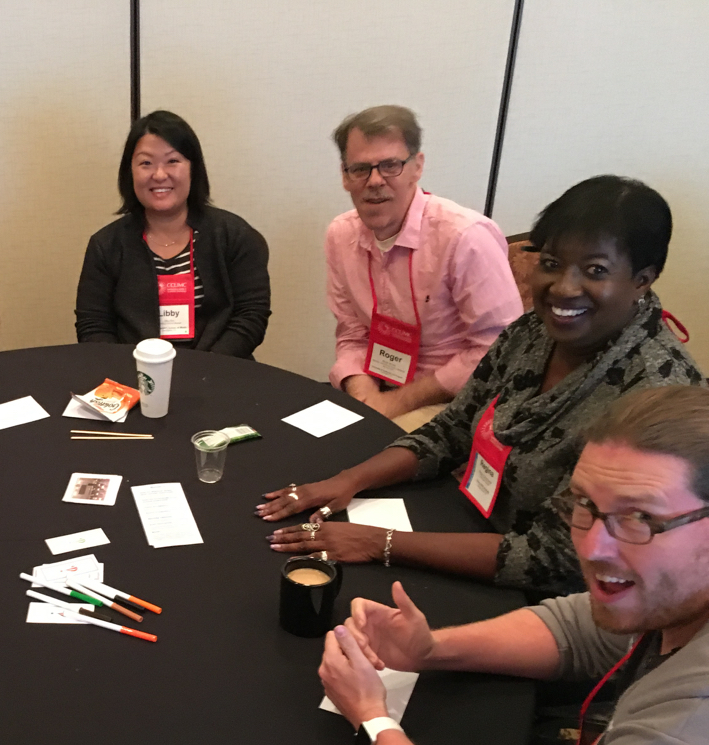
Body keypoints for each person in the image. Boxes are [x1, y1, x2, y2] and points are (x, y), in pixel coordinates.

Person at [318, 385, 709, 745]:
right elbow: (586, 624)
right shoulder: (672, 593)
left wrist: (373, 721)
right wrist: (430, 649)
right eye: (585, 506)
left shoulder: (690, 734)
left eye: (640, 519)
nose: (594, 547)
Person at [260, 175, 701, 597]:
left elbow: (556, 557)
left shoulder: (658, 397)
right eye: (551, 264)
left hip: (562, 606)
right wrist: (348, 480)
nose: (563, 287)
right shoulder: (532, 331)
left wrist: (380, 543)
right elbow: (452, 428)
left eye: (595, 270)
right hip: (470, 529)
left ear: (643, 279)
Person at [326, 105, 523, 428]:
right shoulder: (340, 234)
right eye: (360, 168)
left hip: (456, 403)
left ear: (417, 166)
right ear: (345, 176)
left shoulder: (465, 236)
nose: (374, 181)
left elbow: (496, 350)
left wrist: (395, 402)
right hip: (376, 389)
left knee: (358, 461)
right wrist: (362, 391)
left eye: (390, 165)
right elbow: (351, 331)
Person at [74, 110, 270, 358]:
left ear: (193, 168)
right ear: (130, 172)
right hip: (131, 376)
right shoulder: (106, 245)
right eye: (146, 163)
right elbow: (94, 325)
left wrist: (207, 368)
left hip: (220, 372)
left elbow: (251, 315)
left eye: (172, 161)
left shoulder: (234, 236)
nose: (159, 174)